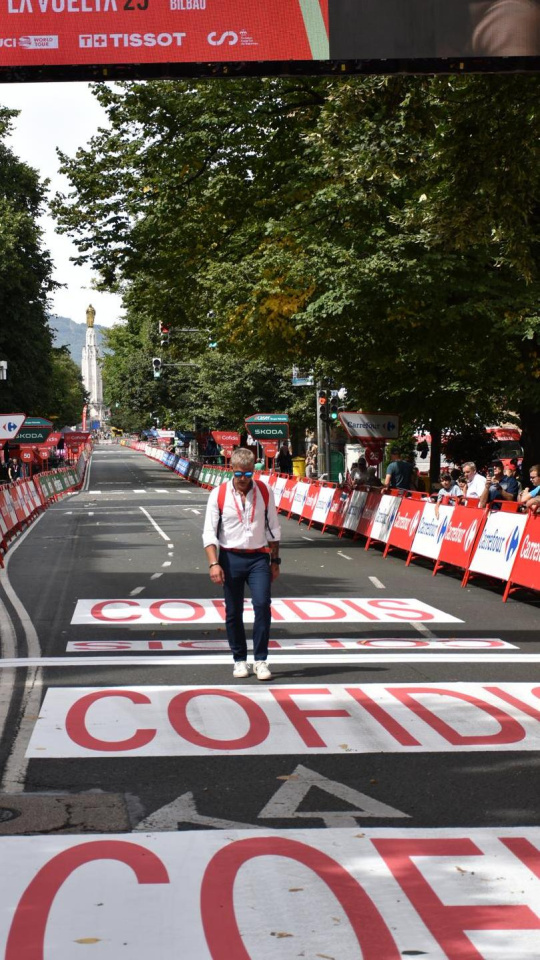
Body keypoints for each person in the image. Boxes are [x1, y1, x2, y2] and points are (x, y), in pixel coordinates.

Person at [203, 447, 281, 681]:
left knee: (262, 605)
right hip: (230, 558)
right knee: (234, 611)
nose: (244, 480)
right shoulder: (218, 494)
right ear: (231, 471)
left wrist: (275, 560)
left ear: (254, 471)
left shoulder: (265, 492)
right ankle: (239, 659)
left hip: (259, 558)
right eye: (239, 475)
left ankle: (261, 660)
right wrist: (213, 564)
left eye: (249, 475)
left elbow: (273, 530)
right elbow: (209, 532)